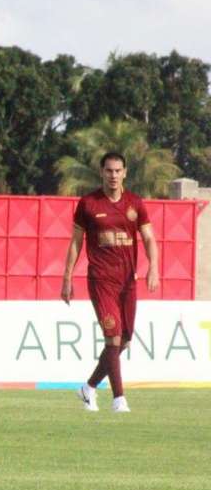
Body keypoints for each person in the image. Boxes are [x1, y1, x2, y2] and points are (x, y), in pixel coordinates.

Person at [61, 152, 158, 413]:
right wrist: (67, 277)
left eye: (118, 171)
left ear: (125, 172)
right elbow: (75, 242)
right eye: (109, 171)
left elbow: (148, 238)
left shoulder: (135, 203)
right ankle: (119, 399)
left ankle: (89, 387)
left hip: (128, 281)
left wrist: (153, 267)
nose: (113, 175)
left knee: (123, 342)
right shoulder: (88, 204)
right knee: (113, 337)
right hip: (101, 280)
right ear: (101, 172)